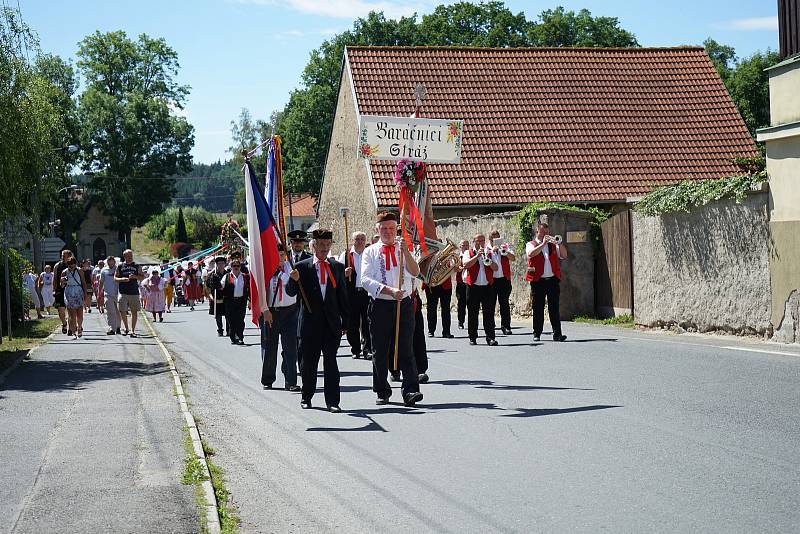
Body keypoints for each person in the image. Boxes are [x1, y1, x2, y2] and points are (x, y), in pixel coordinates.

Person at [361, 212, 424, 407]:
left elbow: (415, 272)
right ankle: (382, 389)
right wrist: (388, 290)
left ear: (395, 228)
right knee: (380, 350)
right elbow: (365, 279)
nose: (388, 232)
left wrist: (406, 253)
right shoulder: (370, 251)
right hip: (380, 305)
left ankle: (410, 390)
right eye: (384, 228)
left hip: (403, 304)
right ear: (377, 230)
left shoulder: (404, 248)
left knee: (406, 347)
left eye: (391, 228)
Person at [286, 229, 348, 412]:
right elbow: (291, 292)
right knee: (309, 364)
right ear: (313, 246)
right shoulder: (303, 267)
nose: (324, 249)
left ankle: (333, 401)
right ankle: (307, 396)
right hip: (309, 324)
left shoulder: (336, 267)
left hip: (331, 325)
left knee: (331, 363)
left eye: (327, 245)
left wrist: (346, 321)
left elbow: (342, 296)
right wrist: (292, 280)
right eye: (321, 245)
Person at [260, 245, 300, 391]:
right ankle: (268, 379)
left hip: (290, 311)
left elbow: (292, 285)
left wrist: (282, 274)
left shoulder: (291, 268)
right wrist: (265, 310)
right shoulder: (267, 269)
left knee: (290, 348)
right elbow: (262, 290)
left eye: (282, 254)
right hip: (273, 311)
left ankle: (291, 381)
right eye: (277, 254)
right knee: (270, 346)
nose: (280, 257)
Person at [526, 222, 568, 342]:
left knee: (554, 308)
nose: (545, 234)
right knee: (538, 307)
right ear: (537, 232)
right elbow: (531, 254)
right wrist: (543, 244)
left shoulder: (553, 245)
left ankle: (557, 333)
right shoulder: (531, 244)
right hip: (538, 281)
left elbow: (564, 255)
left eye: (547, 232)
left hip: (552, 280)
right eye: (543, 232)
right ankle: (537, 333)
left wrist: (559, 243)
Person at [338, 231, 372, 359]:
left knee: (367, 322)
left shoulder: (369, 254)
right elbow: (337, 275)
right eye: (357, 239)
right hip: (351, 294)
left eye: (362, 239)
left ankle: (367, 349)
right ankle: (355, 348)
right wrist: (344, 273)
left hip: (366, 292)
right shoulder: (345, 255)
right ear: (352, 241)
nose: (360, 241)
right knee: (352, 323)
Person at [462, 233, 499, 346]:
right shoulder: (468, 252)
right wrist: (477, 256)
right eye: (478, 241)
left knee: (489, 313)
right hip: (473, 287)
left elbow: (496, 268)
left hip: (487, 286)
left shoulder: (489, 253)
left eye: (482, 241)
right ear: (474, 241)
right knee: (473, 314)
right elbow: (465, 265)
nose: (481, 243)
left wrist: (489, 260)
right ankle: (472, 337)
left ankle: (490, 338)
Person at [489, 230, 516, 335]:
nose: (494, 240)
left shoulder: (506, 246)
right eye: (493, 238)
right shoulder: (486, 248)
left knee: (504, 303)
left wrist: (503, 251)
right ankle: (490, 326)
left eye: (497, 238)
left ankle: (506, 326)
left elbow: (513, 258)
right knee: (490, 304)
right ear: (490, 239)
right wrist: (492, 251)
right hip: (491, 280)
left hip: (504, 279)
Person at [115, 249, 145, 337]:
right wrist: (122, 279)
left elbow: (142, 277)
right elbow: (115, 278)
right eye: (128, 256)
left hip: (134, 292)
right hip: (123, 292)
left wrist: (135, 276)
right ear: (124, 256)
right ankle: (126, 328)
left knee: (134, 311)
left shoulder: (137, 266)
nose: (130, 257)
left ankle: (133, 330)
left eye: (131, 255)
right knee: (122, 310)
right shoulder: (120, 266)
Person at [220, 258, 249, 345]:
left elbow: (249, 289)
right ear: (231, 267)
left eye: (238, 266)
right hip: (230, 301)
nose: (236, 268)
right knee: (231, 321)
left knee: (240, 320)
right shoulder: (227, 276)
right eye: (234, 266)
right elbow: (221, 287)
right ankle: (233, 337)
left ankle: (240, 337)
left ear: (240, 267)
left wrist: (250, 301)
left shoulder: (245, 276)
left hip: (241, 301)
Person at [61, 256, 88, 339]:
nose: (71, 268)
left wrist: (85, 294)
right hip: (69, 291)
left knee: (79, 313)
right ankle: (73, 331)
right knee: (72, 314)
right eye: (69, 266)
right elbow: (61, 286)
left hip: (78, 290)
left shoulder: (79, 270)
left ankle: (79, 327)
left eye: (73, 266)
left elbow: (83, 282)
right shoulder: (64, 272)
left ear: (75, 264)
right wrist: (62, 281)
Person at [206, 257, 229, 337]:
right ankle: (220, 330)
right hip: (216, 297)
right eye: (219, 264)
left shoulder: (228, 274)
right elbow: (208, 286)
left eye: (222, 263)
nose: (221, 265)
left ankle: (228, 330)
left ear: (225, 264)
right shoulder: (213, 275)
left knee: (227, 315)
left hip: (226, 297)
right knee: (218, 315)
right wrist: (210, 296)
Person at [99, 256, 120, 335]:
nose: (111, 263)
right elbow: (101, 282)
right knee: (110, 312)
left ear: (114, 262)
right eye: (109, 262)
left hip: (118, 293)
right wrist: (99, 292)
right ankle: (112, 328)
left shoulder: (118, 269)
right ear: (107, 262)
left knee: (118, 311)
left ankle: (118, 326)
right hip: (108, 294)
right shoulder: (104, 270)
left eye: (112, 261)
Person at [53, 250, 72, 334]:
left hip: (71, 290)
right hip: (60, 290)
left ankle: (71, 327)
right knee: (60, 310)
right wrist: (54, 290)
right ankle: (64, 324)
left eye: (65, 256)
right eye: (62, 255)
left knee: (71, 310)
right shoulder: (57, 265)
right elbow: (55, 278)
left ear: (70, 256)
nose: (63, 257)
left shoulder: (73, 265)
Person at [455, 239, 469, 329]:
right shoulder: (456, 257)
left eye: (466, 245)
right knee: (461, 303)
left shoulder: (471, 255)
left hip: (469, 282)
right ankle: (461, 321)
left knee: (471, 303)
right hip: (460, 283)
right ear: (460, 247)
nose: (465, 247)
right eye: (463, 245)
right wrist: (458, 268)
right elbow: (453, 268)